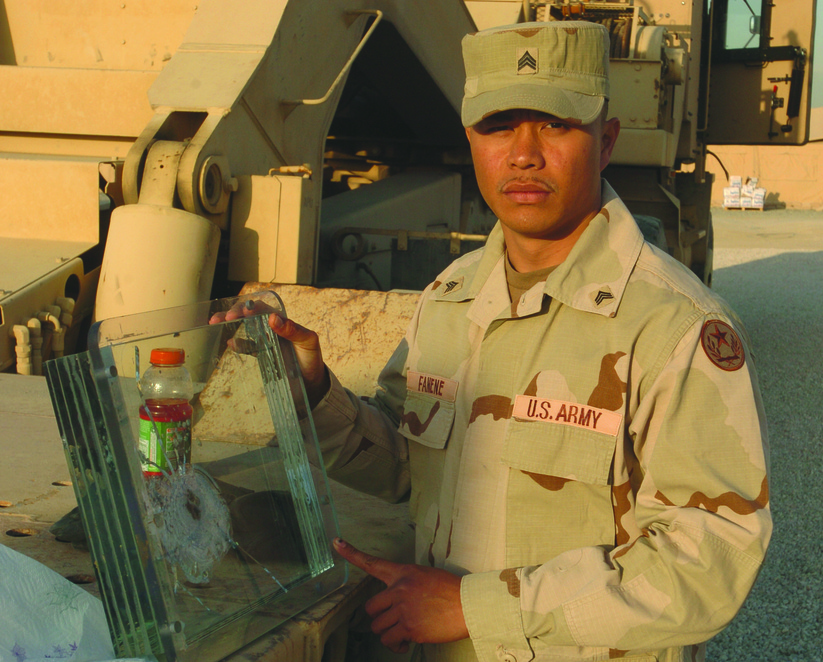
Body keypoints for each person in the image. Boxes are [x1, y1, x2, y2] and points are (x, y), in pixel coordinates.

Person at [261, 21, 770, 662]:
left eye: (556, 125)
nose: (524, 154)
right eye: (500, 127)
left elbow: (708, 565)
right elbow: (407, 473)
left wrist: (474, 607)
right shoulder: (452, 299)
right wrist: (315, 390)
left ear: (607, 141)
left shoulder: (674, 328)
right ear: (471, 140)